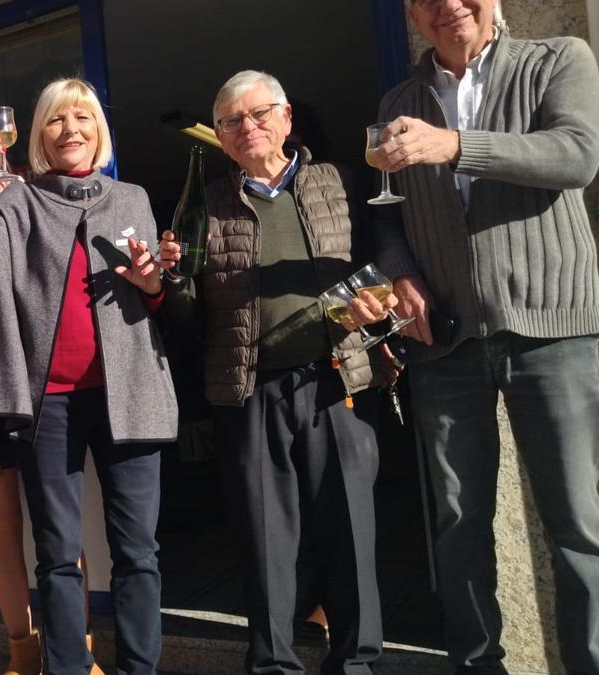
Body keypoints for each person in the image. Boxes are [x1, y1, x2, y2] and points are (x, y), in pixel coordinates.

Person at [372, 2, 599, 672]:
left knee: (580, 525)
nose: (447, 6)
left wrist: (457, 145)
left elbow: (578, 154)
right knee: (458, 528)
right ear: (413, 13)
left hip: (553, 331)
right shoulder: (399, 99)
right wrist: (401, 274)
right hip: (446, 341)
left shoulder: (557, 59)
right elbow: (386, 213)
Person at [158, 70, 393, 675]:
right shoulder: (205, 204)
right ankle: (272, 665)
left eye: (258, 114)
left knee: (350, 535)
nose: (246, 127)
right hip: (250, 392)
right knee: (266, 543)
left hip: (338, 381)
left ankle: (357, 664)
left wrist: (380, 305)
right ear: (220, 135)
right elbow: (186, 324)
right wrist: (174, 282)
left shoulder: (340, 183)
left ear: (287, 118)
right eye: (231, 121)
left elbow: (382, 267)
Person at [0, 77, 176, 674]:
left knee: (138, 552)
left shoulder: (132, 198)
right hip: (48, 400)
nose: (70, 129)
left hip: (130, 393)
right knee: (56, 554)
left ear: (98, 130)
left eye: (82, 118)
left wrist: (153, 283)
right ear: (40, 135)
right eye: (56, 120)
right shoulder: (14, 200)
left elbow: (153, 298)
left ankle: (137, 669)